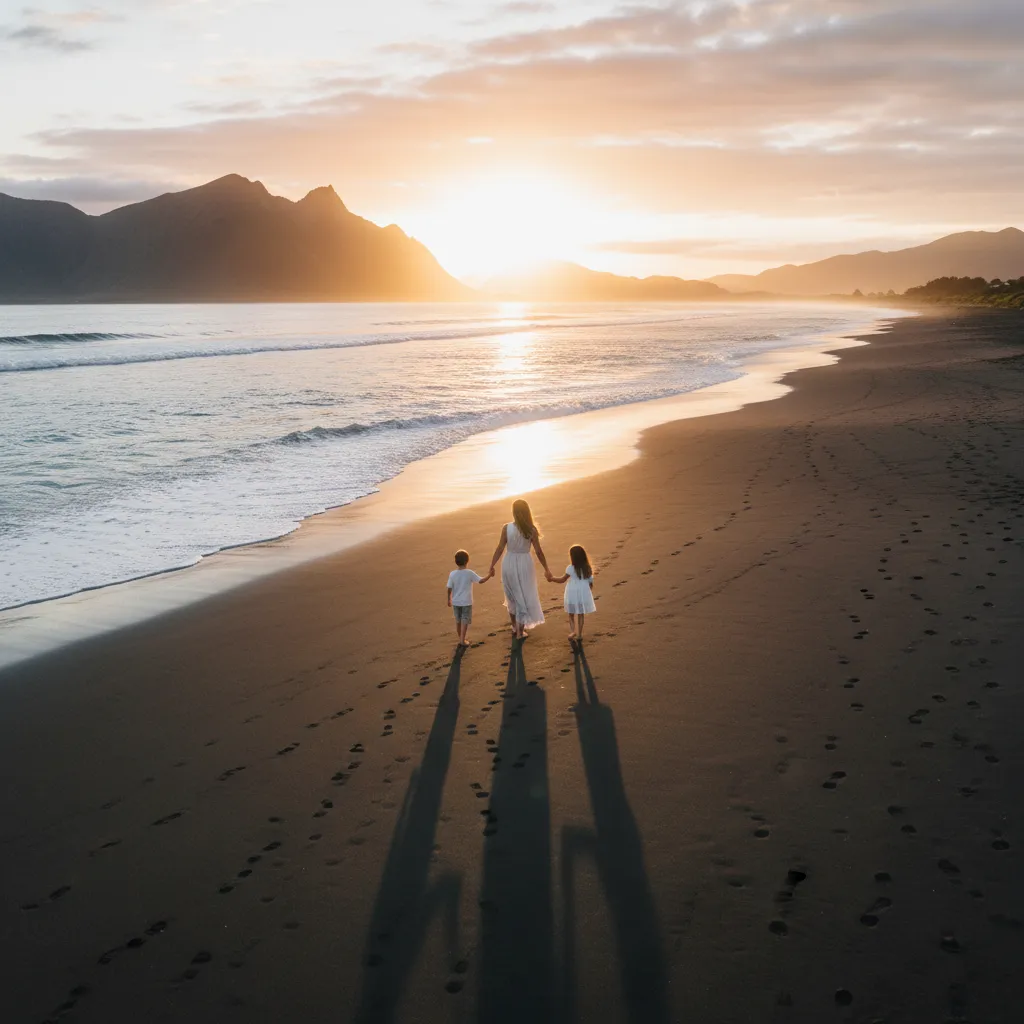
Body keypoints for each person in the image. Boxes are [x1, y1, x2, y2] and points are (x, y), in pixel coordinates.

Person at [487, 499, 552, 641]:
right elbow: (539, 552)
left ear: (513, 512)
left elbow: (500, 548)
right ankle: (520, 631)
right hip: (524, 563)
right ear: (527, 511)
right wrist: (546, 569)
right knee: (523, 594)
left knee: (511, 595)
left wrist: (492, 565)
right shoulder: (531, 530)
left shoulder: (506, 527)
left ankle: (514, 626)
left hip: (508, 562)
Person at [550, 544, 596, 645]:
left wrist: (552, 579)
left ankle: (572, 631)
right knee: (580, 614)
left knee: (571, 614)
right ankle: (579, 634)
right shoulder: (587, 568)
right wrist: (587, 594)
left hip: (571, 593)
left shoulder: (570, 568)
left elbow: (562, 579)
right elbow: (590, 583)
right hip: (583, 593)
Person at [446, 550, 493, 647]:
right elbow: (481, 580)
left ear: (456, 561)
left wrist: (448, 599)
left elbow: (449, 588)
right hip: (466, 602)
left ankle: (461, 638)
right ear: (467, 561)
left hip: (456, 602)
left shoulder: (452, 574)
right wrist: (489, 575)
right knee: (465, 620)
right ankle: (462, 640)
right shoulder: (469, 573)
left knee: (458, 621)